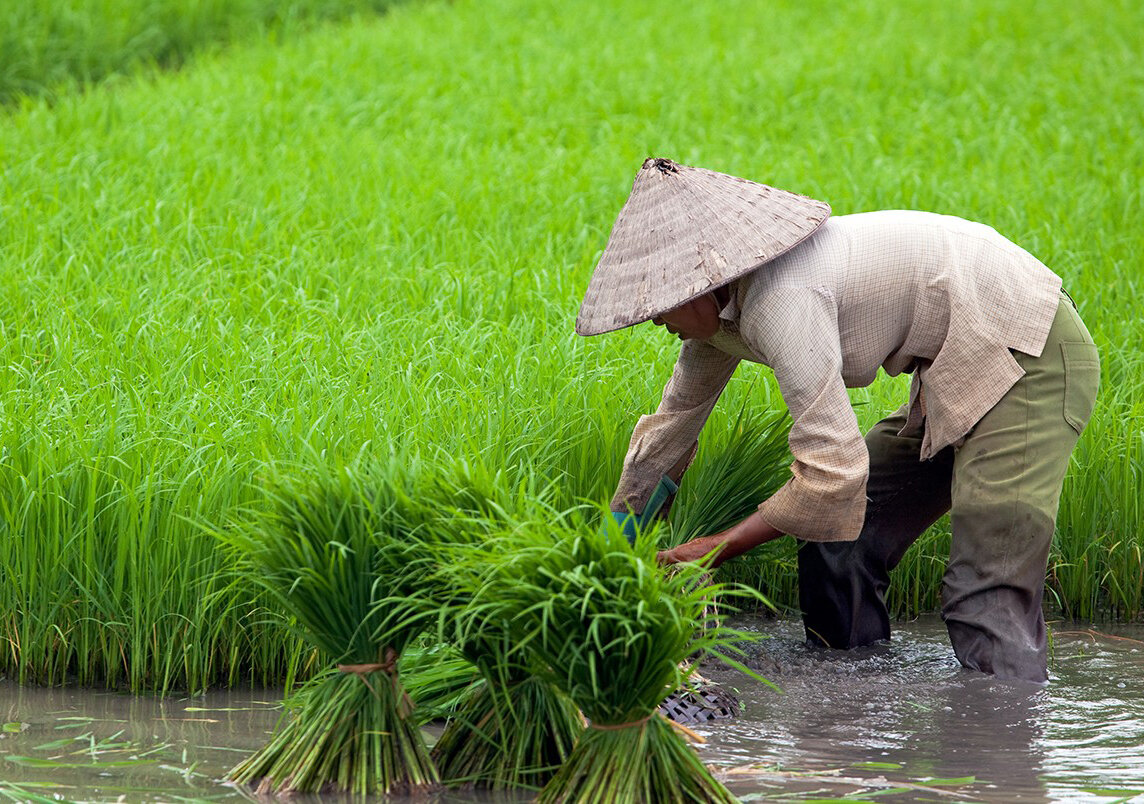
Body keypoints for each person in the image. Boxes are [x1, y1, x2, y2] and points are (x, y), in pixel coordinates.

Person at [576, 157, 1099, 683]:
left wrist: (714, 549)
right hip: (959, 364)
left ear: (700, 284)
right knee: (840, 539)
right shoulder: (715, 320)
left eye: (661, 307)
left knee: (984, 592)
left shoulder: (784, 300)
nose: (658, 323)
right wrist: (617, 548)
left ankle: (1004, 740)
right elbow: (671, 431)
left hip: (1029, 353)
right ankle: (852, 704)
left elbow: (833, 473)